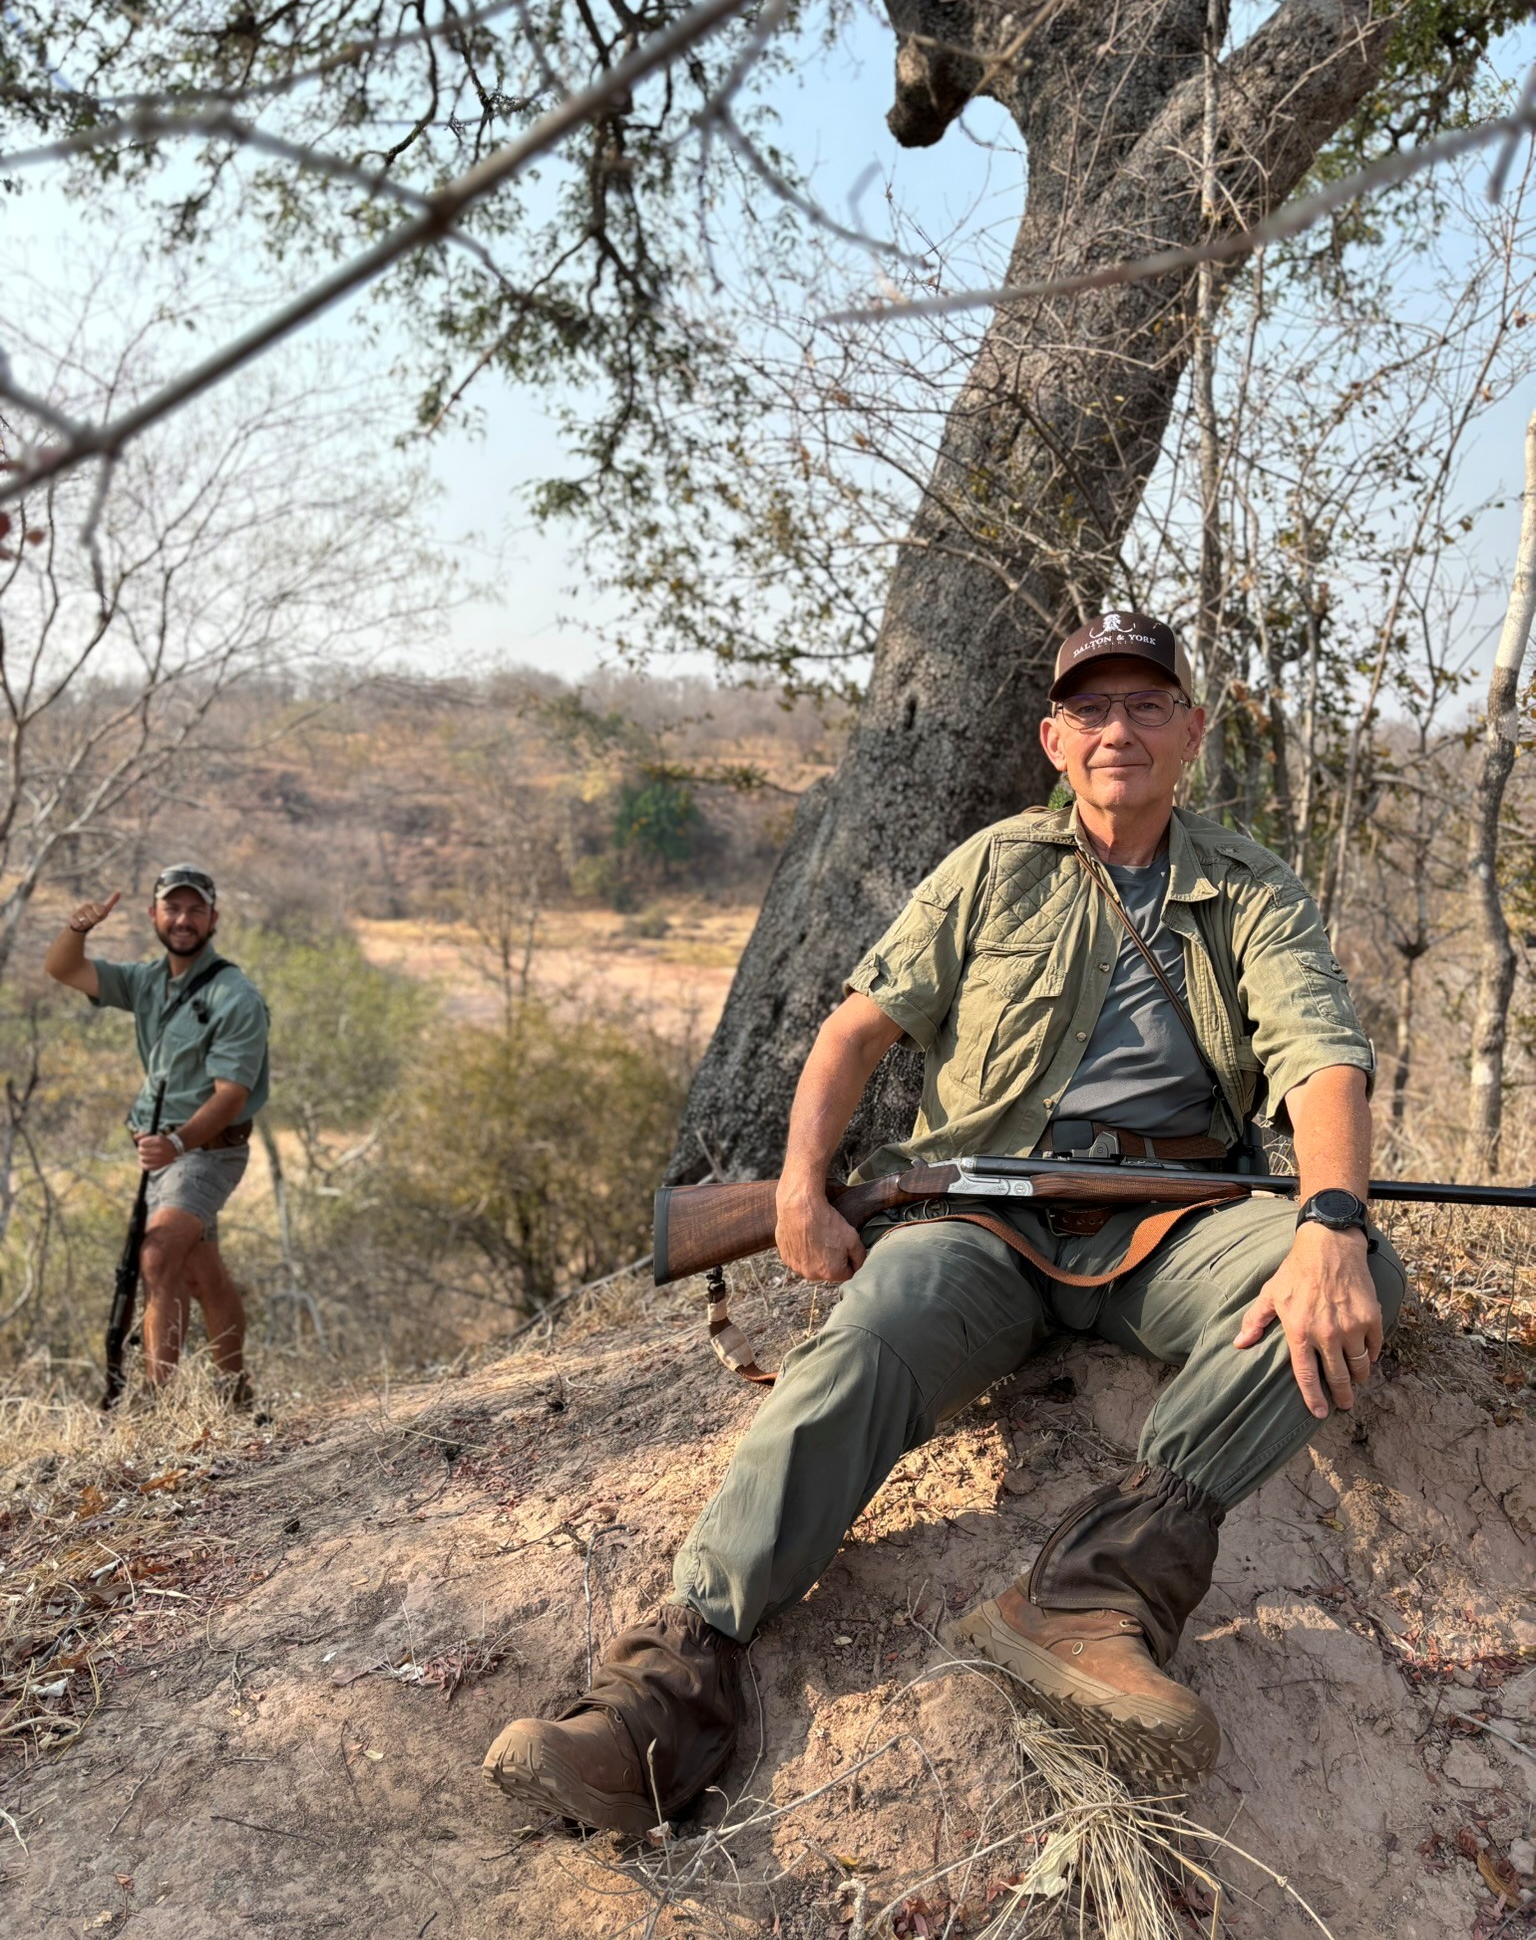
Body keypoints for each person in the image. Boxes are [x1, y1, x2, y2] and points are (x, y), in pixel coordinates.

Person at [483, 610, 1406, 1829]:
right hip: (980, 1220)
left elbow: (1323, 1060)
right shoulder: (990, 866)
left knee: (1354, 1271)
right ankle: (665, 1691)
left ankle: (1094, 1597)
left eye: (1146, 705)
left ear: (1191, 731)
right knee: (874, 1328)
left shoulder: (1251, 887)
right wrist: (802, 1185)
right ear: (1053, 739)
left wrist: (1329, 1217)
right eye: (1091, 708)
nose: (1118, 730)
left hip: (1176, 1222)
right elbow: (855, 1029)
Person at [45, 864, 270, 1404]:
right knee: (199, 1272)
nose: (183, 919)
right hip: (161, 1155)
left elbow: (231, 1095)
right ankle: (236, 1392)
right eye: (173, 908)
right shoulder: (147, 980)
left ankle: (158, 1402)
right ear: (154, 915)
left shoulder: (235, 995)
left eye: (195, 910)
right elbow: (64, 969)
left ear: (213, 919)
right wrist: (78, 928)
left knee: (157, 1253)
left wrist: (176, 1144)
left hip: (206, 1152)